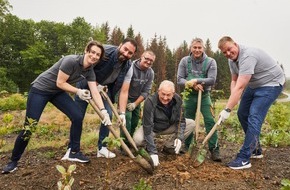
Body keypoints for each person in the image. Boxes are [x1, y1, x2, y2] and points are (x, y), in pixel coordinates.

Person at [2, 40, 111, 174]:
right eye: (92, 52)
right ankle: (13, 161)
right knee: (30, 126)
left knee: (77, 115)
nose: (94, 56)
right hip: (40, 90)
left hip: (56, 93)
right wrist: (78, 91)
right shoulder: (70, 61)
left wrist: (103, 111)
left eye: (97, 55)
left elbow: (94, 91)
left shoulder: (89, 71)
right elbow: (60, 82)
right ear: (86, 51)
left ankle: (74, 152)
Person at [218, 36, 285, 170]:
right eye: (224, 52)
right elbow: (234, 82)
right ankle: (255, 149)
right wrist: (233, 99)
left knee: (254, 116)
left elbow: (241, 87)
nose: (228, 54)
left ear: (235, 44)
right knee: (242, 113)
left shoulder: (248, 56)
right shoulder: (232, 61)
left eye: (230, 49)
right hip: (255, 85)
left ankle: (244, 158)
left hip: (271, 84)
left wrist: (227, 109)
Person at [70, 38, 137, 159]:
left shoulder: (128, 66)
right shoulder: (104, 51)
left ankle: (102, 148)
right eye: (125, 49)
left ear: (133, 55)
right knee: (77, 116)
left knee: (108, 114)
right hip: (85, 85)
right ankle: (72, 149)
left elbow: (124, 91)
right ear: (120, 45)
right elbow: (85, 66)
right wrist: (95, 85)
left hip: (104, 90)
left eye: (130, 53)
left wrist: (122, 112)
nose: (126, 54)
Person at [177, 38, 221, 162]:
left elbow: (212, 79)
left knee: (210, 120)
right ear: (191, 48)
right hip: (189, 96)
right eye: (194, 47)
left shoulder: (211, 62)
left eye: (199, 48)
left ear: (203, 48)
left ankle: (214, 148)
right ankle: (187, 146)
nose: (197, 50)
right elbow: (180, 79)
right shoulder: (185, 61)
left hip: (204, 96)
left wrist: (196, 80)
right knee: (187, 121)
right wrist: (192, 85)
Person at [133, 80, 195, 166]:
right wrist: (153, 152)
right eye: (163, 94)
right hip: (153, 128)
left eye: (168, 95)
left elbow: (181, 121)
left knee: (191, 123)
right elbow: (147, 127)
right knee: (137, 139)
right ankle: (148, 146)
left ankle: (169, 146)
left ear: (173, 94)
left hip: (168, 125)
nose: (165, 98)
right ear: (158, 92)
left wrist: (179, 137)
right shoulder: (150, 101)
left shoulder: (178, 100)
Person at [121, 50, 155, 145]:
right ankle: (123, 144)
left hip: (136, 99)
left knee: (135, 120)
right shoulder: (130, 67)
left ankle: (131, 141)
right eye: (146, 59)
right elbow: (123, 87)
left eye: (151, 61)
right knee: (127, 118)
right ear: (141, 57)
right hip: (124, 95)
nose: (148, 62)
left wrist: (135, 104)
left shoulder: (150, 73)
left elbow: (146, 91)